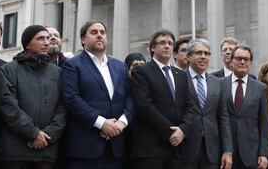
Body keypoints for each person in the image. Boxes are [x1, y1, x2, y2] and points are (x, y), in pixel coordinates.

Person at [61, 20, 135, 169]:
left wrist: (121, 123)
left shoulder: (120, 66)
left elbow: (130, 97)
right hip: (86, 150)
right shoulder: (73, 65)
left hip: (116, 149)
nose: (99, 36)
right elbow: (71, 98)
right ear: (83, 39)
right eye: (94, 32)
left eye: (102, 32)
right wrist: (102, 123)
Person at [0, 25, 67, 168]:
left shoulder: (58, 73)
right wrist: (33, 134)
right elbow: (8, 107)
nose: (47, 42)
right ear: (27, 44)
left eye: (47, 38)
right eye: (41, 38)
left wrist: (47, 135)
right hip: (15, 152)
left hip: (47, 152)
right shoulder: (9, 70)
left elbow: (63, 108)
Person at [130, 29, 196, 169]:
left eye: (170, 43)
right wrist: (170, 132)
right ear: (153, 47)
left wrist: (182, 131)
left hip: (178, 148)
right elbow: (144, 106)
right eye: (162, 43)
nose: (167, 46)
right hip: (151, 148)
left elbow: (189, 106)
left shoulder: (181, 75)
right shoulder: (141, 71)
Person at [184, 39, 232, 169]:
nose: (203, 57)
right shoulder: (179, 79)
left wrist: (227, 150)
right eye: (199, 53)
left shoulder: (217, 83)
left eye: (207, 53)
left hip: (212, 150)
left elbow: (223, 118)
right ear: (188, 56)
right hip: (185, 148)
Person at [221, 44, 268, 169]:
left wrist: (264, 153)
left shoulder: (261, 88)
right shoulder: (219, 84)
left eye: (246, 59)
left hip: (251, 152)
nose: (242, 62)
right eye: (238, 58)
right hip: (225, 151)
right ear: (231, 62)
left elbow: (265, 124)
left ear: (250, 63)